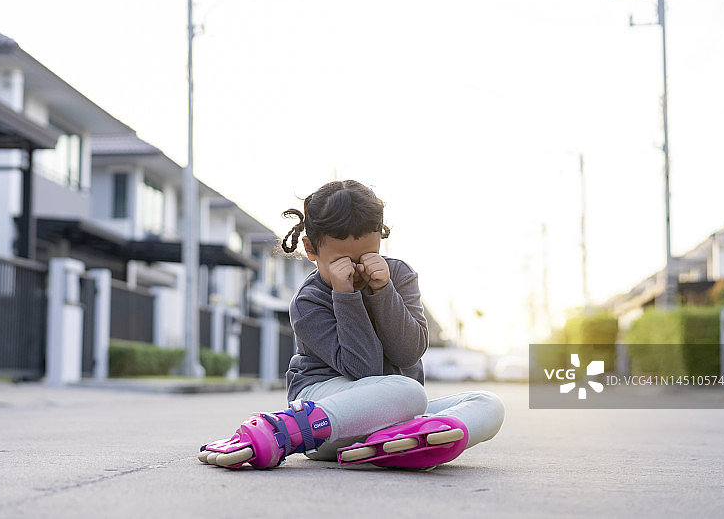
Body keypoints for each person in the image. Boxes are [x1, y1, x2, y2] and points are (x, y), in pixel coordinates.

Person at [199, 180, 505, 469]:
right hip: (325, 415)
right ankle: (285, 429)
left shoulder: (399, 277)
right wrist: (345, 296)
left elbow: (409, 353)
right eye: (340, 260)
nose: (357, 269)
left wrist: (383, 291)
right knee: (409, 392)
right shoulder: (308, 302)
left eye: (369, 255)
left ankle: (397, 446)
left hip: (387, 415)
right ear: (311, 249)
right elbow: (364, 370)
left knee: (488, 405)